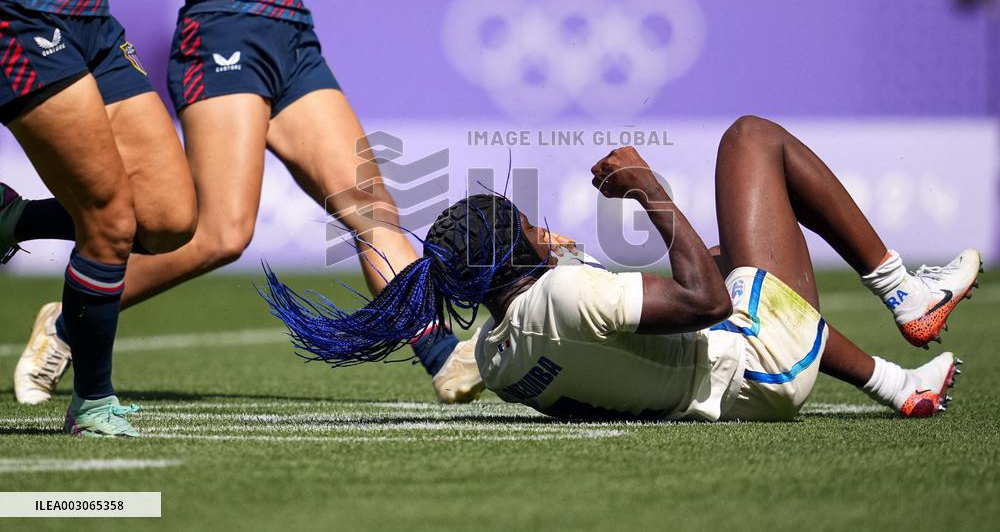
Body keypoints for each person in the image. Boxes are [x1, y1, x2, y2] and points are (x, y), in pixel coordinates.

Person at [7, 0, 482, 406]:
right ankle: (67, 320)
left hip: (291, 34)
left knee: (371, 208)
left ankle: (443, 356)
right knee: (218, 234)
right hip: (221, 35)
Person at [262, 116, 982, 421]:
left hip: (718, 393)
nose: (543, 228)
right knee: (750, 139)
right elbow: (706, 302)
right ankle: (901, 308)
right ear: (518, 251)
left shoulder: (498, 354)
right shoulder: (569, 292)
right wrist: (648, 188)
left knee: (739, 250)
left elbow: (557, 318)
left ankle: (902, 356)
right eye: (527, 226)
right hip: (762, 365)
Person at [0, 0, 211, 434]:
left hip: (92, 19)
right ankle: (91, 404)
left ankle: (12, 219)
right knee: (111, 219)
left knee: (169, 219)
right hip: (20, 19)